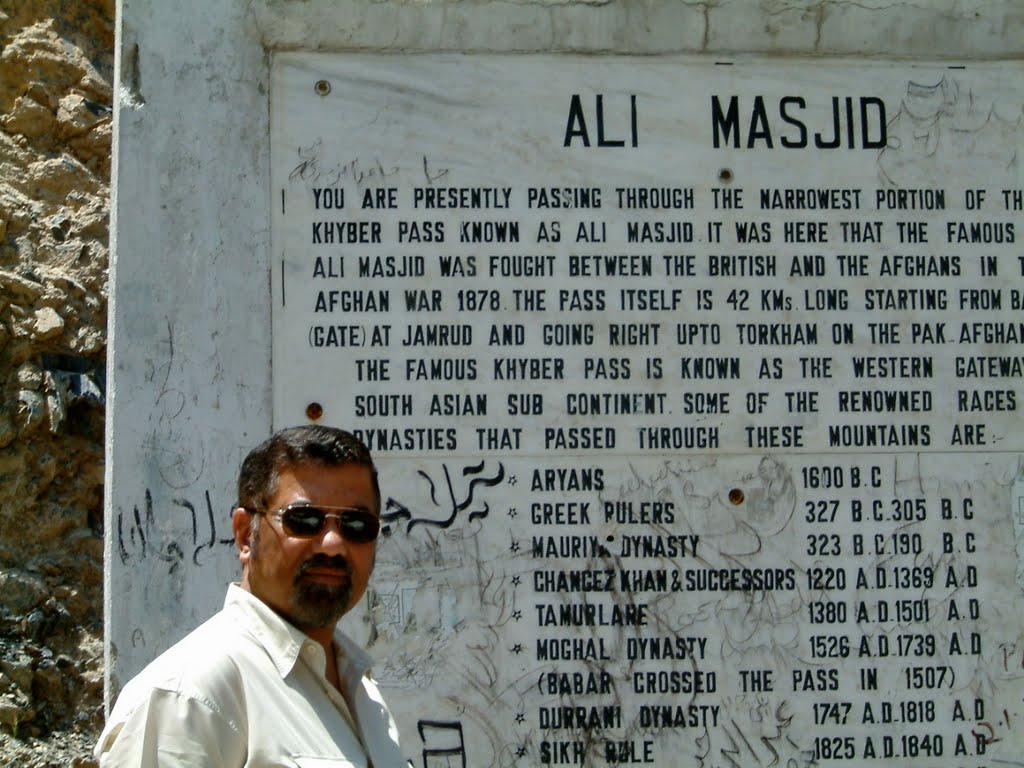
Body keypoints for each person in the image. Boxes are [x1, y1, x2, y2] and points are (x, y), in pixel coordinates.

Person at [95, 425, 403, 767]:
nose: (332, 544)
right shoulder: (191, 693)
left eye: (357, 525)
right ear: (245, 535)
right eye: (304, 520)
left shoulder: (361, 689)